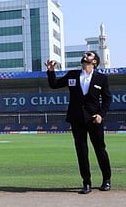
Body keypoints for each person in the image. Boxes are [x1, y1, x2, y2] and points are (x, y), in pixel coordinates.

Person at [46, 51, 112, 194]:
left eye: (89, 55)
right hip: (76, 119)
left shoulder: (101, 78)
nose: (85, 56)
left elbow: (107, 99)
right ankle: (86, 183)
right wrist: (51, 72)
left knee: (100, 150)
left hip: (94, 119)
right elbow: (54, 84)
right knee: (81, 152)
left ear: (94, 61)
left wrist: (101, 114)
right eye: (84, 55)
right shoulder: (73, 75)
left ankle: (106, 180)